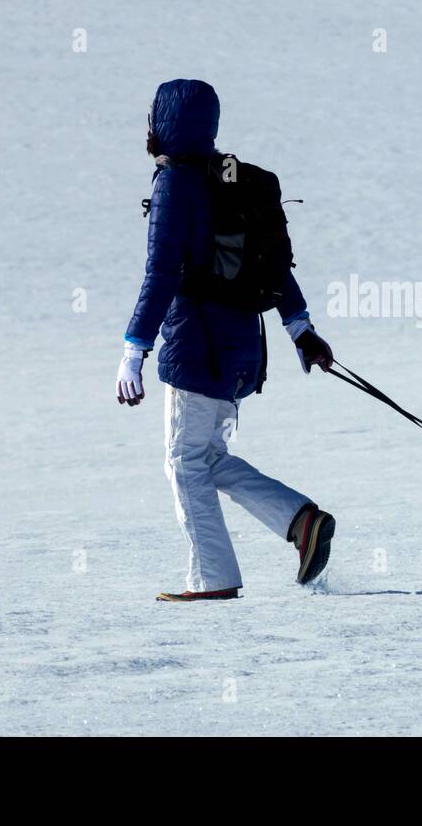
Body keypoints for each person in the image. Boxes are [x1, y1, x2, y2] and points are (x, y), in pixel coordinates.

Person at [116, 79, 335, 602]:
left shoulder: (176, 183)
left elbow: (162, 272)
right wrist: (300, 328)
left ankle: (214, 581)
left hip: (196, 344)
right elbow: (274, 264)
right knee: (206, 456)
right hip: (239, 346)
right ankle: (301, 522)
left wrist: (133, 349)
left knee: (185, 462)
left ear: (162, 122)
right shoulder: (231, 178)